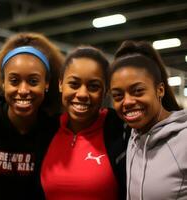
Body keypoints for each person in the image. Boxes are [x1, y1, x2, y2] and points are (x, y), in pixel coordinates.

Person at [0, 32, 64, 200]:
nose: (23, 90)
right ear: (3, 82)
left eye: (33, 81)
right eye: (14, 81)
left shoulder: (55, 129)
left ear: (47, 83)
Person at [40, 46, 129, 200]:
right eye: (74, 84)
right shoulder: (45, 129)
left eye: (93, 86)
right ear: (61, 84)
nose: (82, 94)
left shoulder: (121, 130)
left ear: (106, 90)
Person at [109, 40, 187, 200]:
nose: (128, 101)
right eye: (118, 95)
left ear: (160, 90)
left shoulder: (183, 139)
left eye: (137, 91)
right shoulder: (134, 137)